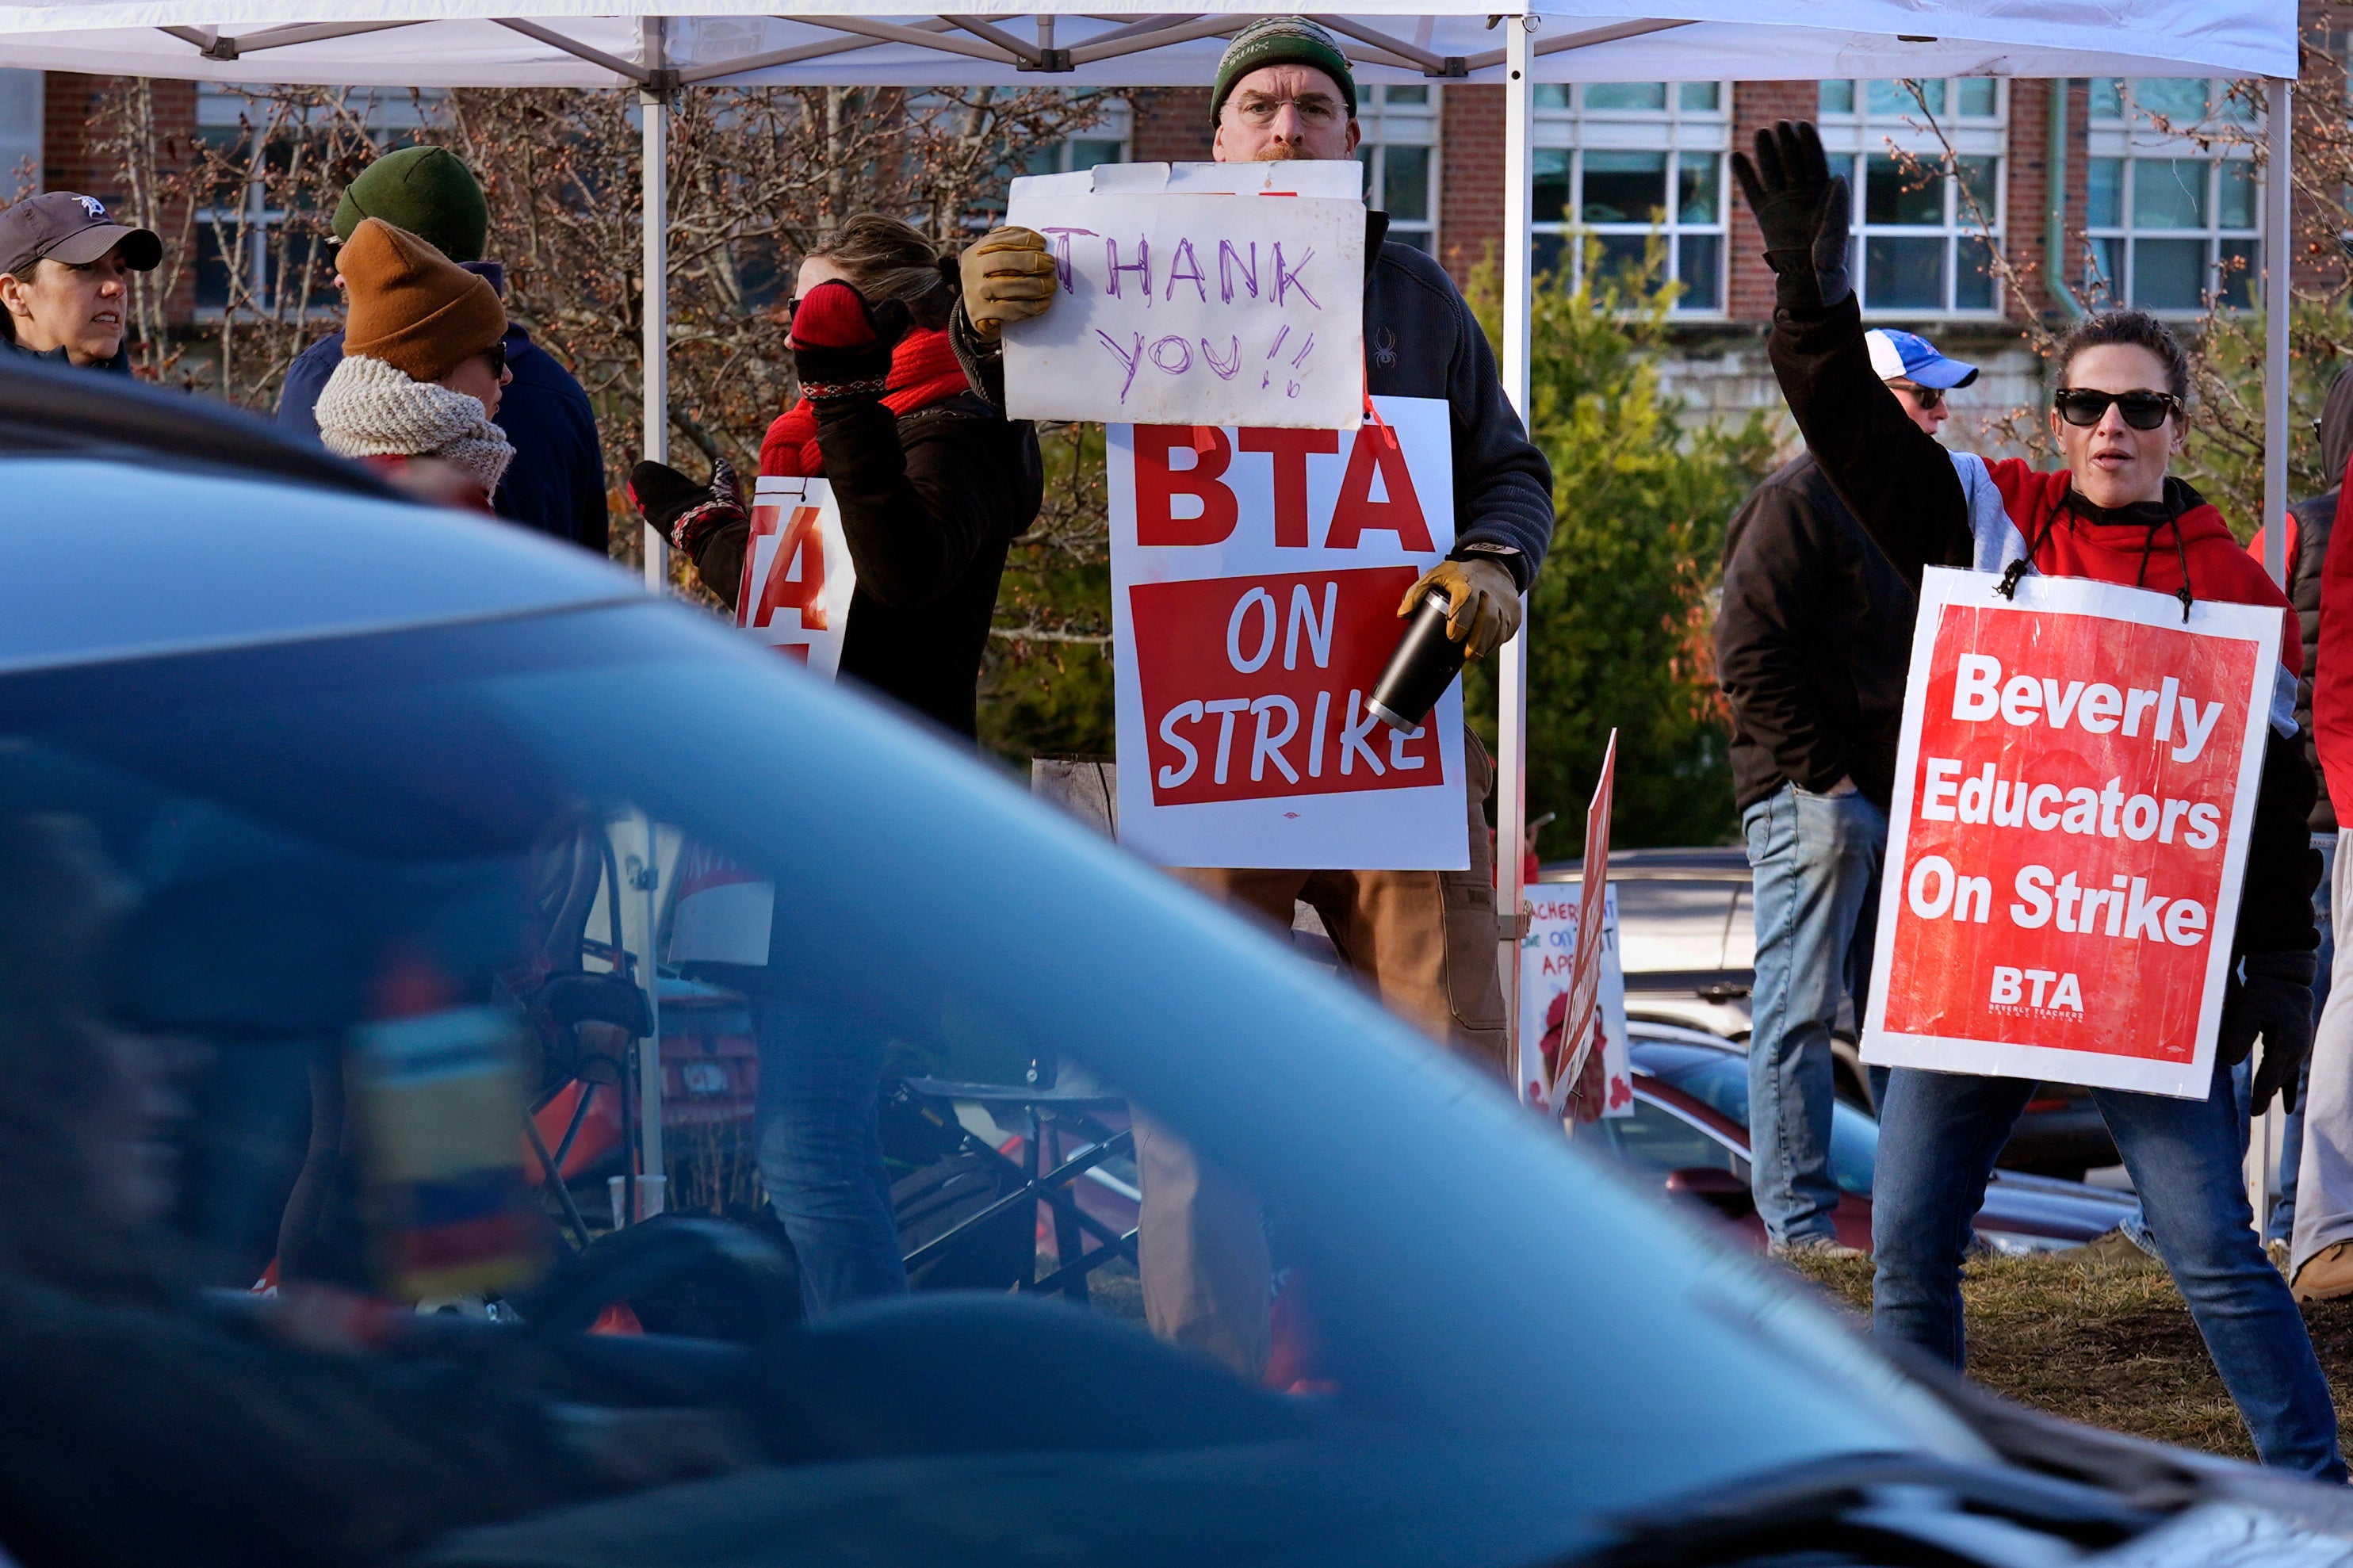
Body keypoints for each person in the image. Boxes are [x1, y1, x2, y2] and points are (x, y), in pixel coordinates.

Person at [952, 16, 1555, 1380]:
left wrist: (1493, 561)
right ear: (1213, 139)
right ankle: (1210, 1409)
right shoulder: (1116, 278)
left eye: (1313, 108)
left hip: (1388, 733)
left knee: (1446, 1070)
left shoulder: (1412, 298)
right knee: (1197, 1096)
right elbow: (983, 433)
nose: (1286, 128)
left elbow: (1508, 471)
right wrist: (971, 319)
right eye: (1261, 108)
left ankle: (1455, 1383)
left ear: (1354, 139)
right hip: (1209, 739)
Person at [1738, 118, 2338, 1478]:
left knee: (2214, 1255)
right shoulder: (1987, 519)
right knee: (1906, 1257)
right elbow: (1847, 430)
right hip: (1978, 958)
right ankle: (1926, 1482)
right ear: (2053, 420)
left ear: (2174, 422)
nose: (2109, 427)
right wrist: (1808, 288)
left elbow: (2269, 798)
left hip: (2148, 979)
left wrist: (2284, 971)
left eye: (2137, 405)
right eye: (2083, 404)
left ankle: (2316, 1497)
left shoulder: (2233, 594)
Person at [628, 213, 1042, 1316]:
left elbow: (901, 573)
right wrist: (706, 531)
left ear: (880, 324)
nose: (794, 339)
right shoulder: (846, 436)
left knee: (809, 1148)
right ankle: (875, 1373)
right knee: (821, 1139)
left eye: (820, 316)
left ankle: (872, 1386)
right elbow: (816, 604)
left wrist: (848, 408)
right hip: (817, 833)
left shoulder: (947, 431)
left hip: (871, 846)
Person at [1716, 327, 1977, 1256]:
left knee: (1907, 1022)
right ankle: (1797, 1229)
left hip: (1900, 802)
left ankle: (1917, 1225)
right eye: (1923, 397)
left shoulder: (1918, 510)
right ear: (1866, 404)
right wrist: (1820, 776)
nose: (1942, 413)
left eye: (1939, 397)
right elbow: (1744, 656)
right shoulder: (1797, 499)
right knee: (1796, 1008)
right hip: (1816, 801)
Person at [277, 146, 609, 553]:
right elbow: (593, 568)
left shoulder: (326, 375)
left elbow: (288, 544)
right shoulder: (563, 393)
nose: (337, 277)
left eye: (344, 254)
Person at [2244, 365, 2353, 1269]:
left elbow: (2240, 645)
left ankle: (2287, 1218)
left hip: (2295, 812)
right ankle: (2302, 1220)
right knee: (2327, 1035)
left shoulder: (2294, 525)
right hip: (2332, 812)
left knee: (2299, 1028)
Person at [312, 218, 515, 513]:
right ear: (435, 367)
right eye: (497, 356)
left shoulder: (334, 471)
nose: (507, 375)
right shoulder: (442, 498)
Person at [0, 191, 161, 373]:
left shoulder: (140, 400)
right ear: (14, 295)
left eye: (119, 269)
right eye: (84, 267)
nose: (117, 287)